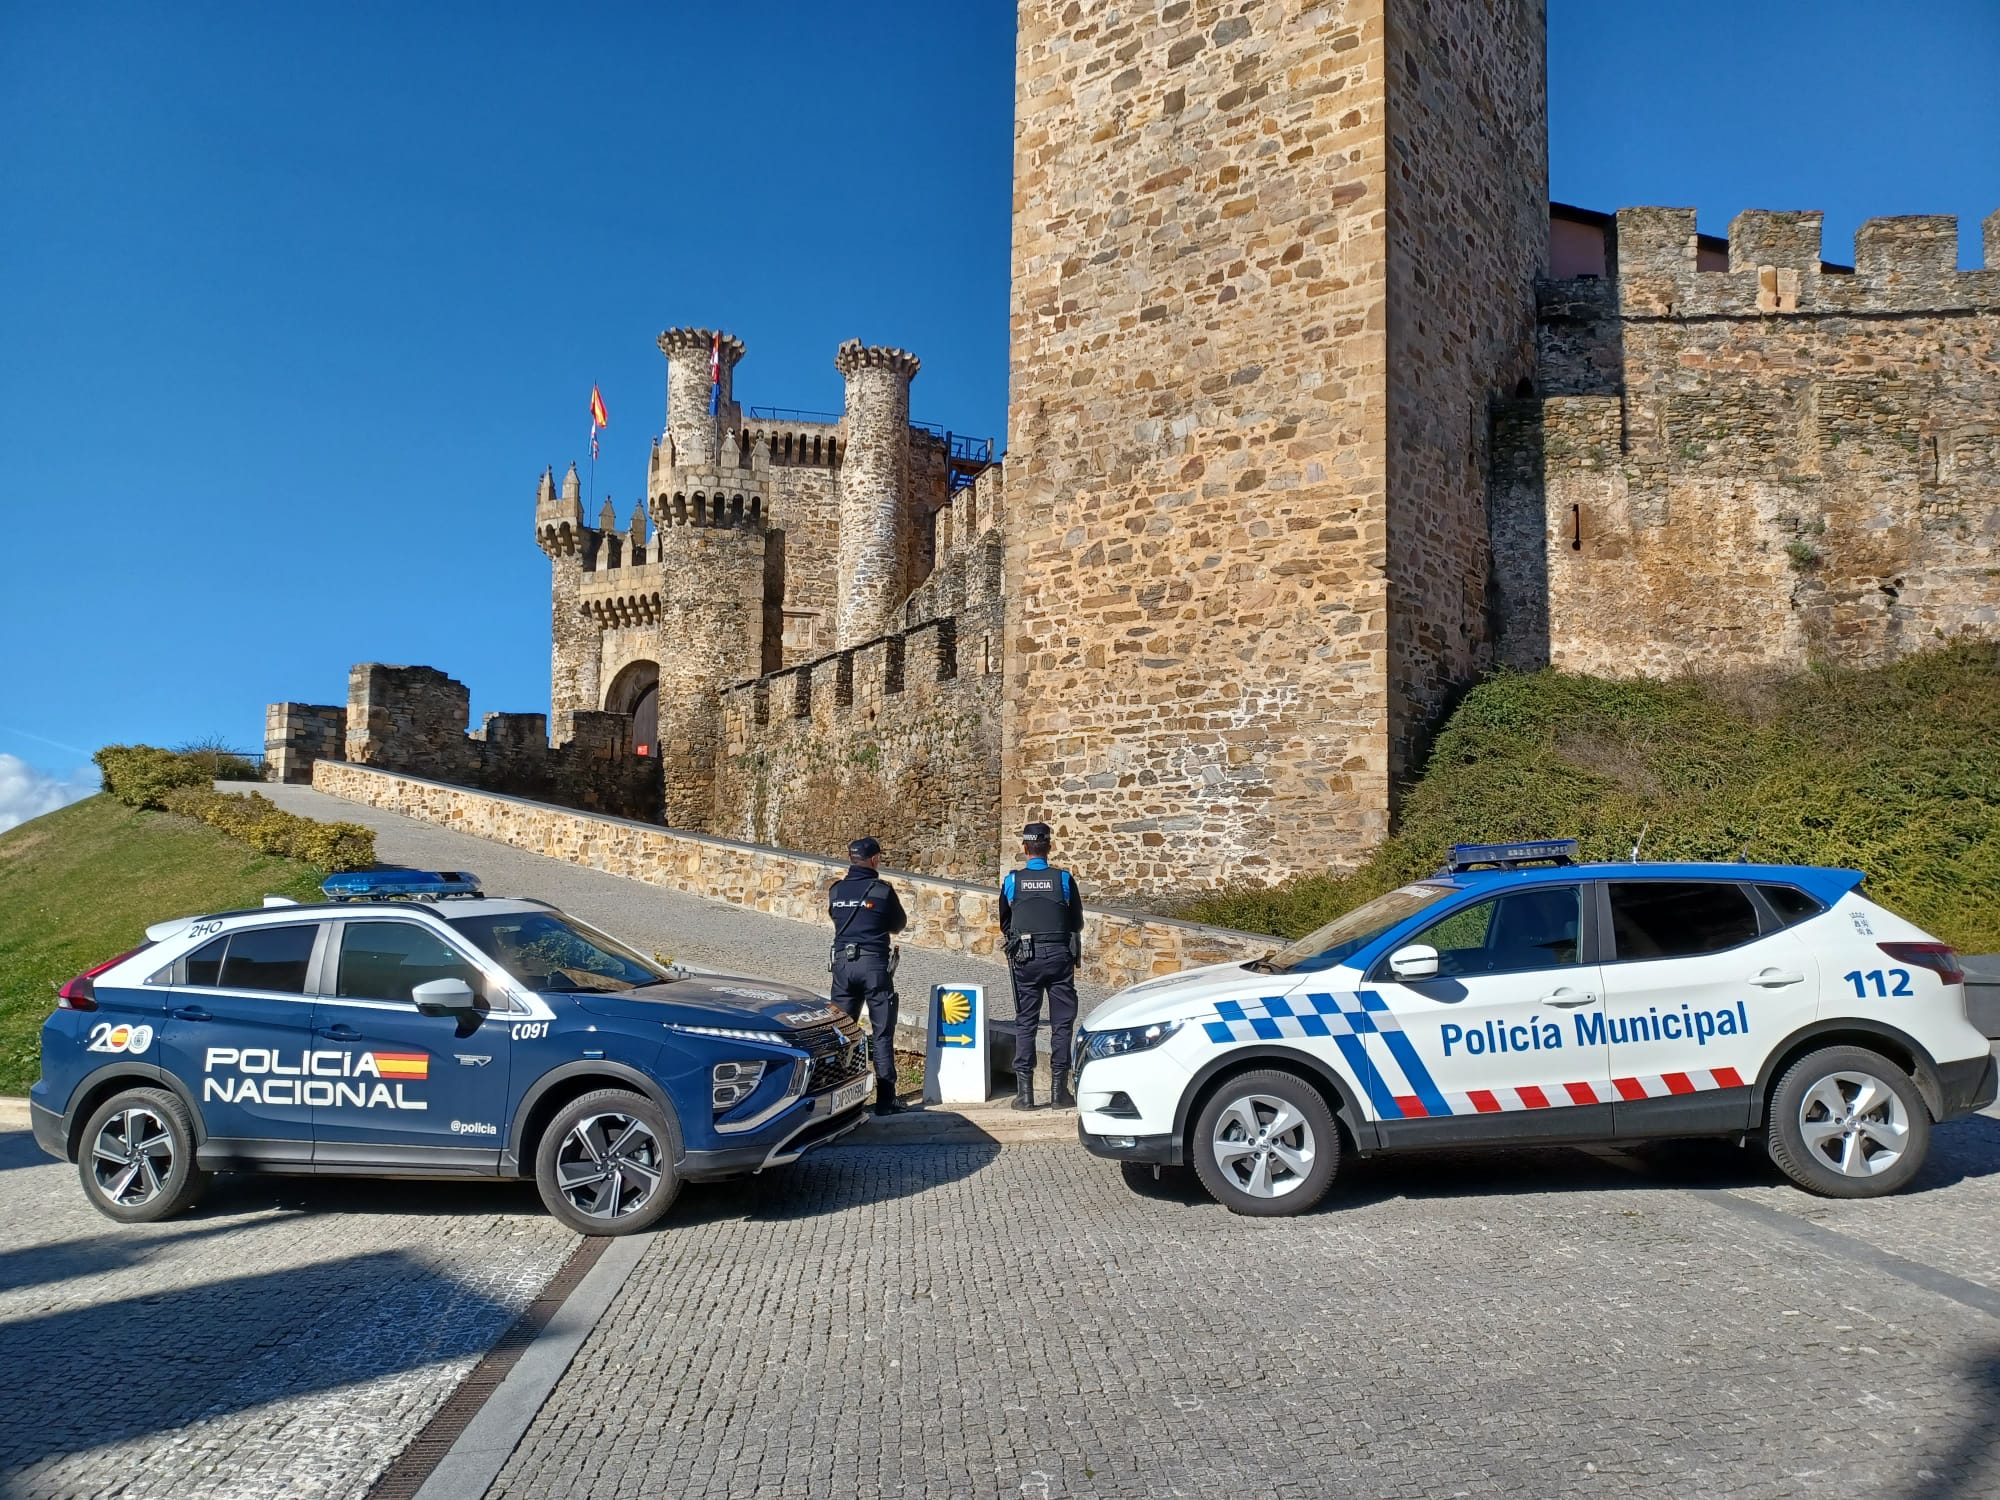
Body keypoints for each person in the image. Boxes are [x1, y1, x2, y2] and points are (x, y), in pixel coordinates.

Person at [999, 821, 1085, 1110]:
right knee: (1062, 1023)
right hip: (1060, 956)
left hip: (1026, 958)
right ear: (1049, 847)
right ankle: (1060, 1093)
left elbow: (1005, 922)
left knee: (1026, 1022)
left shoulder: (1012, 881)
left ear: (1024, 848)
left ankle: (1025, 1095)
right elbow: (1077, 922)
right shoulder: (1063, 879)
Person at [827, 836, 908, 1116]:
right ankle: (886, 1100)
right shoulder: (882, 891)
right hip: (874, 966)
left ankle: (840, 1101)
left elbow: (835, 917)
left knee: (841, 1032)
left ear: (852, 859)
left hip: (842, 966)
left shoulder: (836, 890)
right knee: (882, 1032)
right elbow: (898, 924)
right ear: (874, 859)